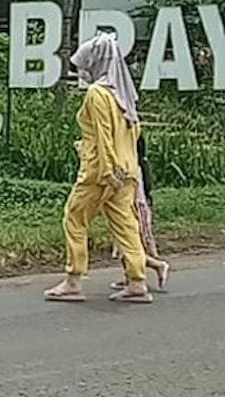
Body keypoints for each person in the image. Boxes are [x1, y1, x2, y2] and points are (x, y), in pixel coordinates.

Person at [45, 33, 154, 305]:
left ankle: (73, 280)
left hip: (100, 171)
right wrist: (124, 170)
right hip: (128, 170)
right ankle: (137, 280)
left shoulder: (97, 94)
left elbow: (104, 136)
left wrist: (106, 170)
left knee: (75, 217)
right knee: (126, 224)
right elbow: (133, 131)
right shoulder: (124, 94)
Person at [112, 135, 170, 292]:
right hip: (129, 208)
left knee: (128, 246)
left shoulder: (134, 168)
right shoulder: (136, 166)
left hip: (134, 209)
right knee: (123, 245)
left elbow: (138, 197)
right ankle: (129, 276)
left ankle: (157, 266)